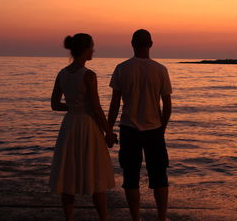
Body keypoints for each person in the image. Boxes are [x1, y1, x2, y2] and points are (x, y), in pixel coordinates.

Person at [49, 33, 117, 221]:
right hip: (87, 126)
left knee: (67, 172)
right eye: (91, 47)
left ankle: (68, 218)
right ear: (85, 49)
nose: (93, 50)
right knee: (95, 173)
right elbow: (96, 108)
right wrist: (109, 131)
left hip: (70, 125)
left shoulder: (62, 73)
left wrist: (72, 106)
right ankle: (104, 218)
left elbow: (55, 104)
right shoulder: (88, 75)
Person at [108, 29, 172, 221]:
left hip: (129, 129)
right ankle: (161, 217)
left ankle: (135, 218)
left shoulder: (122, 68)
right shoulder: (160, 69)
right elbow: (167, 105)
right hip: (154, 129)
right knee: (159, 176)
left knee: (130, 177)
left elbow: (114, 104)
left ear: (132, 44)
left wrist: (108, 130)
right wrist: (162, 128)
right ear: (151, 44)